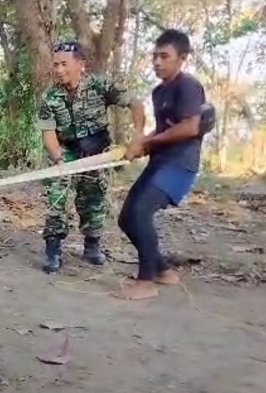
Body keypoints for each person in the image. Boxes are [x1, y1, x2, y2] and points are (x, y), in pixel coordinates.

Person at [117, 30, 214, 300]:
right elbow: (162, 130)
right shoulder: (159, 91)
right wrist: (143, 144)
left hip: (179, 165)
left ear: (182, 58)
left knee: (140, 212)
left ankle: (145, 282)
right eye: (154, 56)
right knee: (126, 218)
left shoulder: (188, 86)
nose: (157, 62)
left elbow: (190, 127)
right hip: (160, 162)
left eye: (164, 56)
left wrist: (148, 142)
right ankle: (161, 269)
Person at [37, 41, 146, 274]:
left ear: (81, 65)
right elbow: (48, 132)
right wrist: (59, 160)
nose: (58, 70)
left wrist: (137, 136)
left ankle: (92, 244)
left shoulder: (100, 85)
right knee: (57, 193)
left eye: (64, 64)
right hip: (65, 150)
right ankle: (53, 248)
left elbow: (135, 104)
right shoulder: (50, 96)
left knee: (94, 197)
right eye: (55, 65)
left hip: (97, 150)